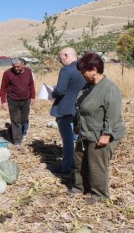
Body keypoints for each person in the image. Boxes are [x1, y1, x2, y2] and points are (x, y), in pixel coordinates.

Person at [71, 52, 126, 203]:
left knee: (96, 165)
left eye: (84, 72)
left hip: (101, 134)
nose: (82, 75)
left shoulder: (109, 88)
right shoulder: (88, 86)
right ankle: (80, 187)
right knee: (79, 161)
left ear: (94, 70)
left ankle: (99, 194)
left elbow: (113, 113)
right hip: (86, 132)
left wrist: (106, 134)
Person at [50, 47, 86, 178]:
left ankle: (66, 167)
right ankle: (79, 163)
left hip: (65, 109)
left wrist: (52, 91)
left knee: (68, 140)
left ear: (66, 55)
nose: (60, 61)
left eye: (60, 58)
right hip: (80, 109)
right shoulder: (84, 69)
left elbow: (60, 91)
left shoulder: (66, 70)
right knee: (77, 137)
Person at [0, 57, 35, 146]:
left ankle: (11, 131)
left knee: (24, 119)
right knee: (15, 120)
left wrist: (33, 96)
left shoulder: (28, 71)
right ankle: (17, 141)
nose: (16, 68)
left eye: (18, 66)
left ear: (23, 65)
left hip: (26, 99)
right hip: (13, 99)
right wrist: (3, 101)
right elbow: (3, 88)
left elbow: (31, 84)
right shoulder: (7, 73)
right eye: (14, 66)